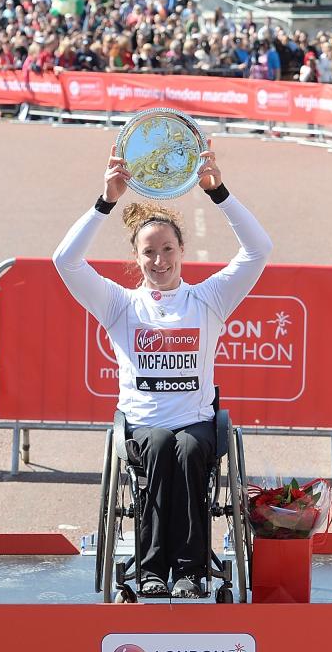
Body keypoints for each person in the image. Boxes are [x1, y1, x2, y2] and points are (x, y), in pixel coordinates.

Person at [53, 146, 272, 599]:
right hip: (142, 425)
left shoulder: (209, 299)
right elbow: (65, 261)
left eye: (167, 249)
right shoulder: (120, 304)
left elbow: (258, 249)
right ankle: (152, 571)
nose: (159, 260)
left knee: (190, 449)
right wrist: (104, 202)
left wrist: (219, 193)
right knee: (155, 445)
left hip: (196, 423)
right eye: (149, 252)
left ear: (181, 251)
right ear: (137, 257)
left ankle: (191, 572)